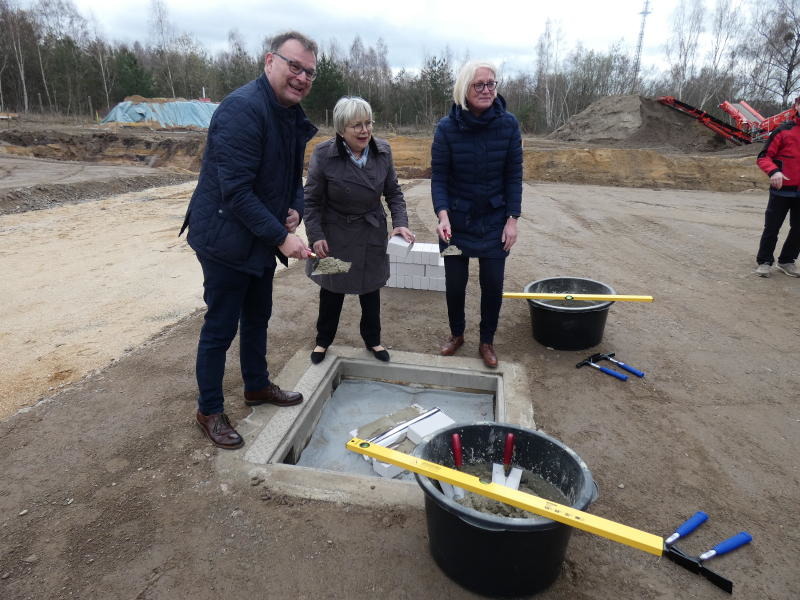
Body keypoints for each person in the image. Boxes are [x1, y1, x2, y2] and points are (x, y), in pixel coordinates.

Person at [180, 31, 319, 449]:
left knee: (258, 315)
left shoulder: (290, 114)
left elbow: (294, 177)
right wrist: (282, 237)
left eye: (309, 71)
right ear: (269, 61)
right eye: (294, 66)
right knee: (220, 326)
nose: (301, 77)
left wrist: (295, 209)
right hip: (224, 237)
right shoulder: (242, 109)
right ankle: (209, 410)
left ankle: (256, 386)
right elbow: (235, 191)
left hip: (257, 236)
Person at [303, 96, 415, 364]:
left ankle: (373, 340)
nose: (365, 130)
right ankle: (323, 341)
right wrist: (316, 236)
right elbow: (311, 201)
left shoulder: (383, 152)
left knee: (370, 288)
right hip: (335, 233)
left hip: (370, 230)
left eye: (368, 123)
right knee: (332, 290)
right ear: (342, 129)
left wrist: (400, 222)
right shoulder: (323, 154)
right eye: (357, 125)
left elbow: (394, 193)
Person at [431, 61, 522, 368]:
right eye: (479, 85)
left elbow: (514, 175)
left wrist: (512, 220)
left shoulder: (508, 125)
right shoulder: (446, 129)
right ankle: (456, 334)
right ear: (464, 89)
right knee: (455, 284)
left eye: (491, 84)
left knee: (492, 284)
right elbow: (440, 177)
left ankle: (487, 340)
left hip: (495, 221)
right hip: (455, 223)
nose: (486, 90)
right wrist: (442, 215)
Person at [755, 96, 800, 278]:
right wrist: (774, 172)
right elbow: (763, 156)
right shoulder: (783, 131)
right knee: (772, 227)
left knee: (799, 229)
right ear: (797, 106)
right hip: (781, 189)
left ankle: (786, 261)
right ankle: (765, 261)